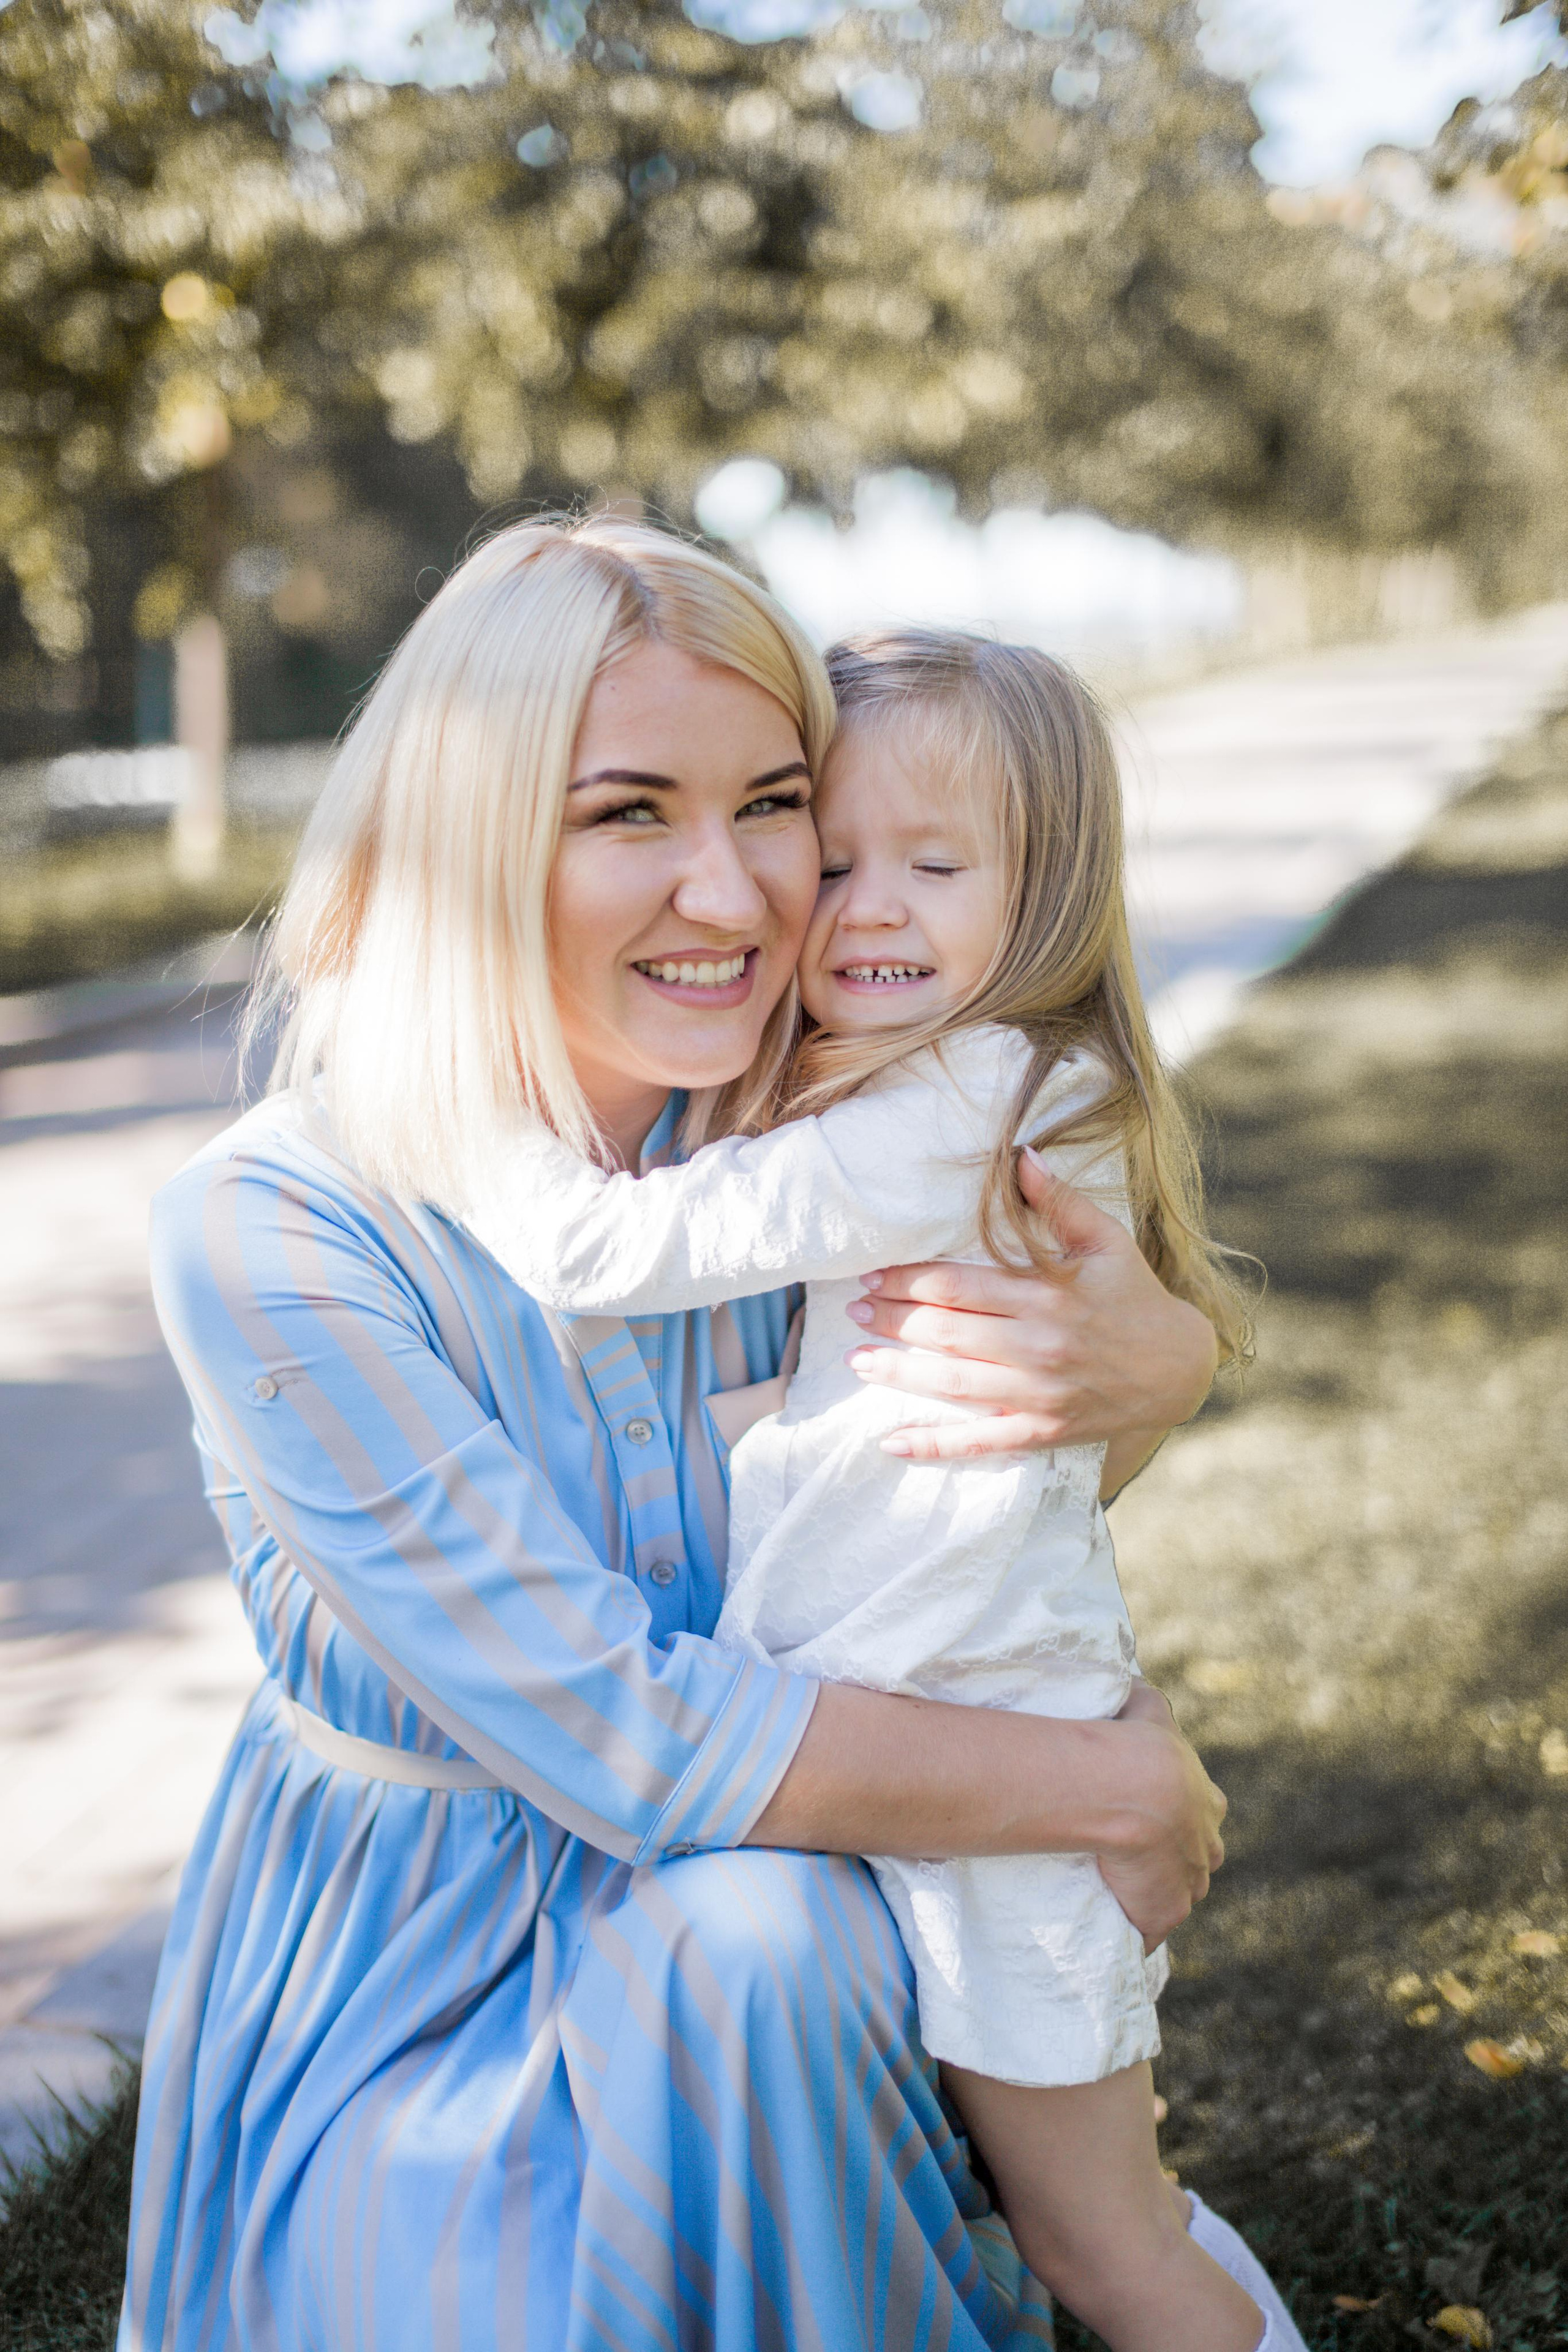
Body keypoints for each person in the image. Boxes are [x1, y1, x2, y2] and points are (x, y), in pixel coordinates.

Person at [123, 517, 1229, 2352]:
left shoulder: (798, 1151)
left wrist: (1159, 1362)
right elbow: (621, 1732)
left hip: (790, 1900)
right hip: (427, 1949)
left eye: (776, 803)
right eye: (627, 812)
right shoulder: (276, 1231)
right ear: (473, 841)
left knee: (757, 1953)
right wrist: (1104, 1780)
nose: (731, 898)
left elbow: (961, 1501)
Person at [460, 628, 1302, 2352]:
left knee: (1109, 2246)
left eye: (936, 864)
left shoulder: (961, 1098)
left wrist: (459, 1111)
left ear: (1046, 888)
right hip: (929, 1730)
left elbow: (619, 1249)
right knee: (1038, 2211)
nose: (865, 911)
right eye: (830, 859)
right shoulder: (922, 1092)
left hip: (988, 1768)